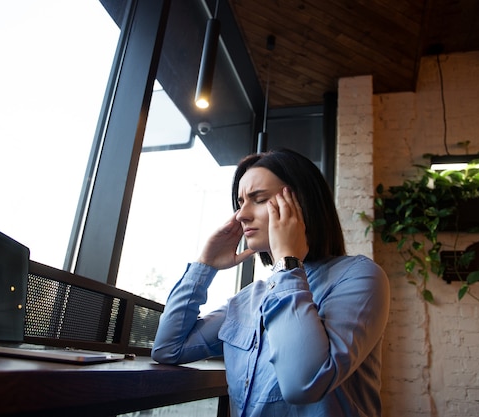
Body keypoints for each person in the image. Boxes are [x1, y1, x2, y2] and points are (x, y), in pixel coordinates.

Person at [151, 148, 390, 417]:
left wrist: (288, 261)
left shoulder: (358, 277)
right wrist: (204, 265)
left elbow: (303, 384)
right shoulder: (248, 299)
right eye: (240, 202)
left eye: (258, 198)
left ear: (302, 204)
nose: (241, 214)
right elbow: (168, 348)